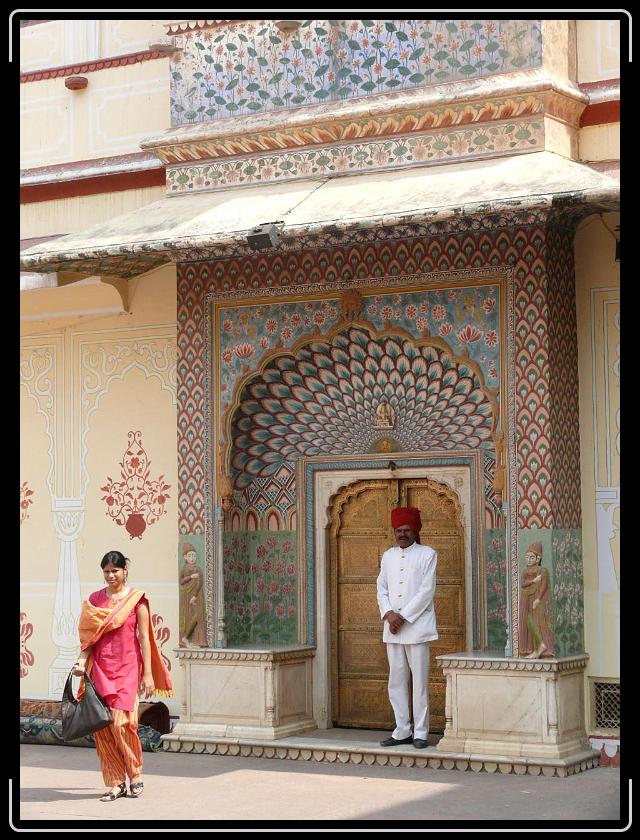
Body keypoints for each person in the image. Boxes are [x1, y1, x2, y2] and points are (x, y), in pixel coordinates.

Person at [72, 550, 173, 801]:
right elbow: (88, 639)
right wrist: (81, 663)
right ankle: (116, 781)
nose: (110, 575)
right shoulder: (95, 600)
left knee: (122, 723)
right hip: (101, 669)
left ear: (125, 570)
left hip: (127, 668)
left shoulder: (136, 600)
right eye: (106, 571)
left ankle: (135, 773)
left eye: (115, 570)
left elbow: (144, 638)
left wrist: (147, 674)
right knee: (103, 727)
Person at [376, 507, 438, 749]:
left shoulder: (427, 554)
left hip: (417, 627)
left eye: (407, 530)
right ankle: (402, 730)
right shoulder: (388, 555)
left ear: (415, 531)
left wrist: (403, 617)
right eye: (399, 530)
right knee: (397, 681)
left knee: (420, 682)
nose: (402, 534)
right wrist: (389, 614)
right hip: (392, 628)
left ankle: (421, 732)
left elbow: (426, 591)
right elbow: (381, 587)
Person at [518, 541, 555, 659]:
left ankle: (542, 647)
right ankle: (536, 647)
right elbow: (523, 584)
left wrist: (538, 599)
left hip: (537, 599)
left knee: (537, 621)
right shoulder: (525, 571)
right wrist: (533, 581)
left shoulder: (542, 571)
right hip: (526, 597)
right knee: (527, 621)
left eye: (531, 557)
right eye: (527, 557)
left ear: (538, 558)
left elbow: (544, 586)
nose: (528, 560)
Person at [179, 542, 207, 647]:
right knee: (188, 616)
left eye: (194, 556)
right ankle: (185, 638)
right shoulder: (184, 569)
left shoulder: (198, 569)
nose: (192, 558)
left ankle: (197, 640)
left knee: (198, 616)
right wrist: (191, 577)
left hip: (197, 596)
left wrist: (195, 597)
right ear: (185, 557)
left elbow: (200, 584)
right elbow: (181, 581)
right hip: (186, 596)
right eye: (190, 556)